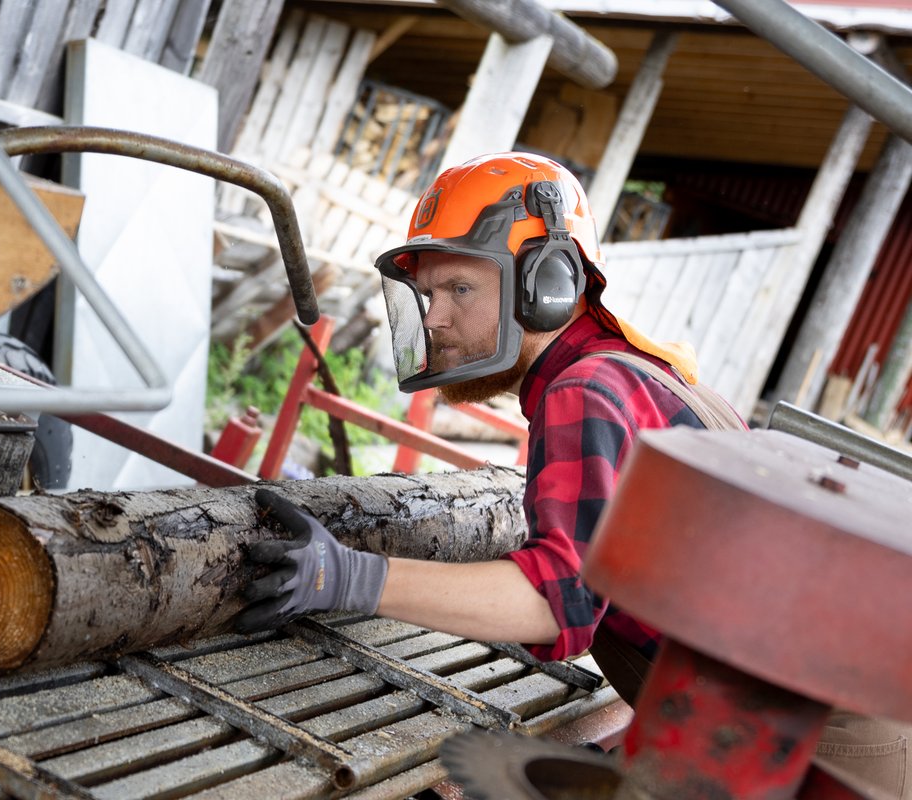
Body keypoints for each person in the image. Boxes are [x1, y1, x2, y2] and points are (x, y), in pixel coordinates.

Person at [236, 152, 909, 798]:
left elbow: (555, 605)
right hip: (796, 726)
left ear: (547, 283)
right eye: (428, 292)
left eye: (459, 288)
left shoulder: (584, 390)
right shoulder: (636, 372)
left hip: (811, 754)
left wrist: (348, 576)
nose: (434, 317)